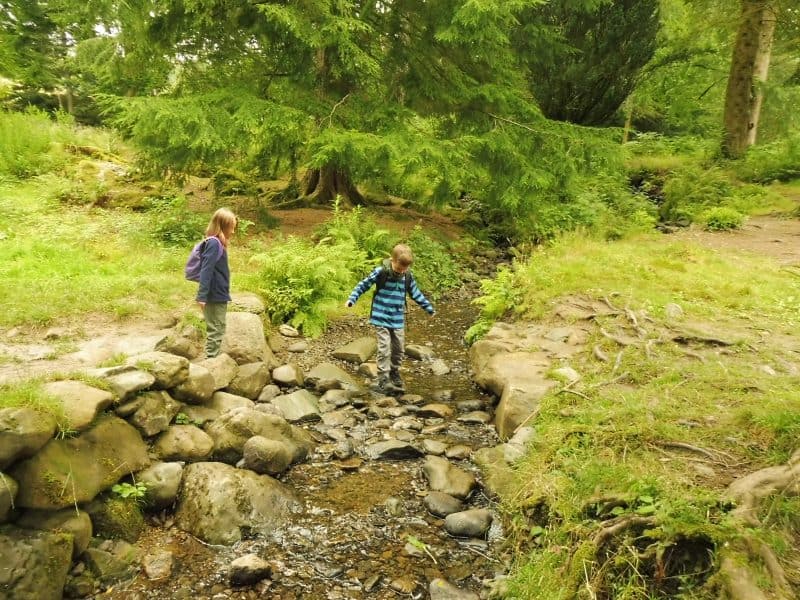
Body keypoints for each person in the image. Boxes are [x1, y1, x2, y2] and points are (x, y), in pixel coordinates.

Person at [346, 243, 435, 393]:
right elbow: (363, 285)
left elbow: (416, 294)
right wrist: (352, 299)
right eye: (399, 268)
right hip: (381, 316)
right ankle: (383, 378)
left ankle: (394, 372)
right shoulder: (382, 272)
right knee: (385, 347)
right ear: (392, 261)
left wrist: (428, 308)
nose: (402, 271)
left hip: (397, 318)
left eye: (405, 269)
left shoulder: (407, 276)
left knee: (399, 349)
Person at [196, 208, 237, 358]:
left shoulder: (218, 243)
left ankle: (212, 357)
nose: (233, 231)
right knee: (216, 328)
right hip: (214, 294)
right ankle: (211, 361)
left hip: (219, 293)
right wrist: (202, 296)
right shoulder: (214, 243)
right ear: (222, 226)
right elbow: (206, 270)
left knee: (218, 327)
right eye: (231, 227)